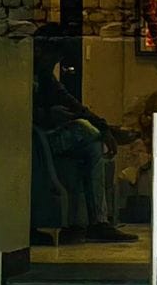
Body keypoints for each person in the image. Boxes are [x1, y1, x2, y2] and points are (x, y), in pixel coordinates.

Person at [32, 24, 137, 244]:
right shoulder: (21, 72)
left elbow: (74, 105)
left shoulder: (45, 77)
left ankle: (98, 222)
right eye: (53, 58)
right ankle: (97, 223)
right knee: (84, 129)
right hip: (33, 139)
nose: (54, 64)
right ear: (39, 49)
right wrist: (49, 115)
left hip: (44, 137)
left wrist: (103, 127)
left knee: (92, 143)